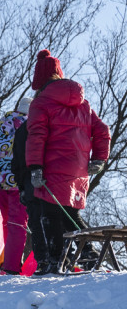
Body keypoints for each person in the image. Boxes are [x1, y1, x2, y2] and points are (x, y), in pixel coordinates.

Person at [25, 49, 110, 274]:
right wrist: (99, 158)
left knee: (50, 214)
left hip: (52, 167)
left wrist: (35, 167)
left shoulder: (41, 103)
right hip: (79, 169)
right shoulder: (83, 104)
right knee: (69, 213)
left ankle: (57, 260)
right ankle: (87, 254)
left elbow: (37, 136)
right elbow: (102, 130)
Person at [0, 97, 33, 274]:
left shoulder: (2, 125)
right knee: (18, 223)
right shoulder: (30, 125)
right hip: (17, 180)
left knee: (7, 222)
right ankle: (11, 266)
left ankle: (6, 264)